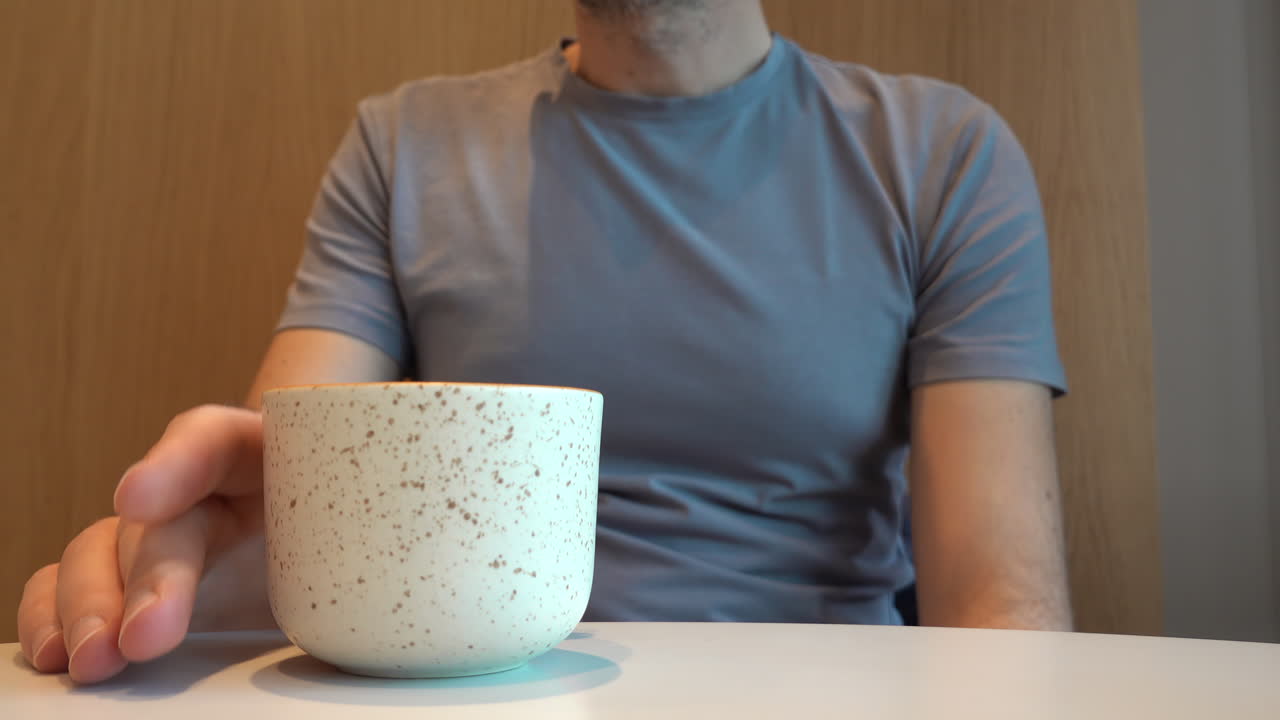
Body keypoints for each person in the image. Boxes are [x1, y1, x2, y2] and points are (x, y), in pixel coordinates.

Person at [16, 0, 1072, 685]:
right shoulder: (403, 146)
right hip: (479, 693)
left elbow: (998, 608)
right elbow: (287, 476)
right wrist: (212, 541)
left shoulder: (940, 155)